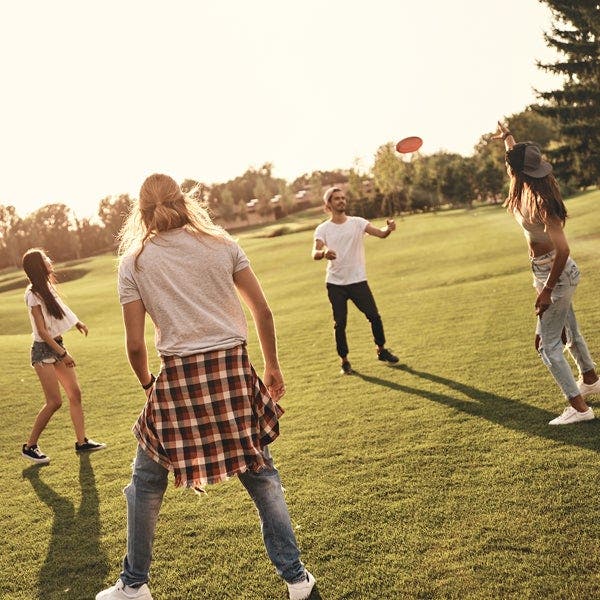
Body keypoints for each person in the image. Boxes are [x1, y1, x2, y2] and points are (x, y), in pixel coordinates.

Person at [97, 174, 314, 600]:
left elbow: (136, 346)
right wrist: (271, 366)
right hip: (233, 372)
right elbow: (263, 312)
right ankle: (297, 581)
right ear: (183, 201)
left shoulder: (135, 263)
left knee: (145, 482)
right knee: (262, 476)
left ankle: (134, 585)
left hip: (178, 379)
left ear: (140, 213)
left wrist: (148, 387)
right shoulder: (222, 244)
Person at [493, 122, 600, 424]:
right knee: (570, 331)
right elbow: (513, 159)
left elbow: (563, 250)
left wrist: (547, 290)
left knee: (545, 345)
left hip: (557, 273)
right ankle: (590, 379)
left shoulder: (543, 202)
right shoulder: (523, 187)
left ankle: (580, 409)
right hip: (545, 272)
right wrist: (508, 138)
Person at [20, 248, 106, 464]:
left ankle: (82, 442)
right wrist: (63, 354)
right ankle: (30, 447)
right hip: (43, 351)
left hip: (57, 346)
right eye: (45, 258)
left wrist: (77, 322)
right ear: (39, 266)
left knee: (75, 393)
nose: (50, 260)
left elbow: (61, 308)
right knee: (54, 401)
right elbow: (41, 331)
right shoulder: (32, 294)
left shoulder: (47, 288)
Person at [312, 186, 399, 375]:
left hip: (358, 280)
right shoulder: (323, 229)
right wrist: (324, 252)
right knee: (340, 323)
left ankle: (381, 350)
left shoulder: (358, 223)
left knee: (374, 316)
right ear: (328, 204)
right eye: (337, 199)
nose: (341, 201)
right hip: (335, 283)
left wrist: (389, 229)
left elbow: (381, 233)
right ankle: (344, 361)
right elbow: (315, 252)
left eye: (343, 198)